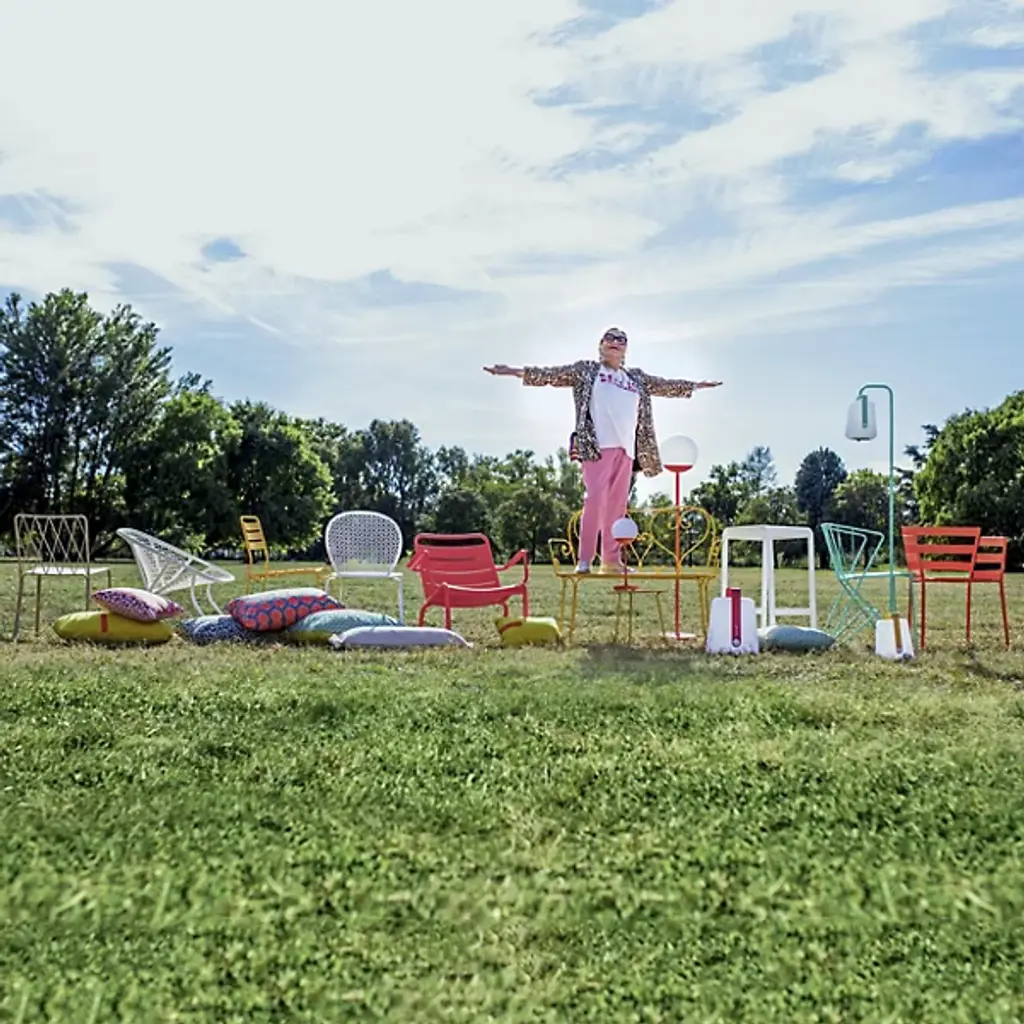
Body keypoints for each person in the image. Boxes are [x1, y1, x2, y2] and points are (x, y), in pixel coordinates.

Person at [484, 326, 721, 573]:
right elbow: (550, 375)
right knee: (595, 499)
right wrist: (512, 371)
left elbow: (665, 385)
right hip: (597, 446)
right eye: (610, 338)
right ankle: (584, 560)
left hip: (626, 450)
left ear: (626, 349)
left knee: (617, 506)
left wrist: (697, 386)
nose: (615, 342)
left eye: (621, 340)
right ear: (601, 345)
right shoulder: (587, 371)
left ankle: (611, 560)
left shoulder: (635, 378)